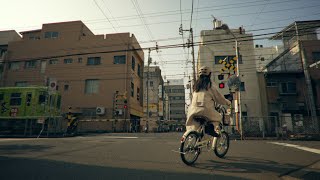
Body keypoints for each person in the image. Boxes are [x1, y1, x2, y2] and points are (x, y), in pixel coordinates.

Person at [184, 66, 231, 136]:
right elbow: (219, 98)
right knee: (218, 117)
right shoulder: (210, 85)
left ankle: (191, 140)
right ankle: (210, 129)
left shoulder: (195, 86)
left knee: (193, 128)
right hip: (206, 110)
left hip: (193, 110)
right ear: (209, 74)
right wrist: (227, 102)